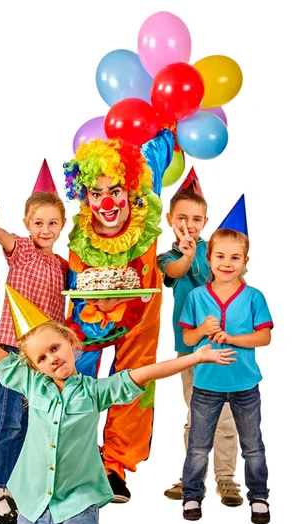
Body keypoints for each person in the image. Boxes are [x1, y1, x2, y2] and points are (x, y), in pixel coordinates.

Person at [0, 290, 236, 524]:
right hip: (34, 499)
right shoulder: (31, 384)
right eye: (42, 358)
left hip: (77, 499)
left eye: (55, 348)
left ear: (68, 341)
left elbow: (145, 372)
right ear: (34, 367)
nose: (53, 358)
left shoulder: (95, 390)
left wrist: (196, 357)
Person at [63, 129, 174, 501]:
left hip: (141, 318)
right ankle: (75, 460)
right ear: (85, 195)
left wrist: (167, 129)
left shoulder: (148, 206)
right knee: (75, 383)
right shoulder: (81, 231)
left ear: (129, 189)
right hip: (89, 320)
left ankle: (114, 467)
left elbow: (155, 156)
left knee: (134, 385)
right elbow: (78, 278)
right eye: (96, 193)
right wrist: (99, 304)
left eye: (115, 191)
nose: (107, 201)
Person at [0, 160, 68, 524]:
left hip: (44, 357)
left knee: (30, 422)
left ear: (62, 226)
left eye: (52, 223)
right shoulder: (20, 249)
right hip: (13, 349)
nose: (45, 229)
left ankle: (14, 485)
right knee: (8, 419)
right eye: (38, 222)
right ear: (27, 224)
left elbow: (61, 311)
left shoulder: (62, 265)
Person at [157, 169, 243, 507]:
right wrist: (187, 255)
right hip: (189, 350)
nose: (188, 224)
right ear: (169, 219)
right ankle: (193, 478)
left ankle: (227, 479)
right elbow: (175, 272)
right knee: (196, 415)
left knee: (224, 415)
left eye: (196, 219)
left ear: (205, 221)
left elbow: (228, 280)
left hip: (225, 349)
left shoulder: (217, 251)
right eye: (181, 218)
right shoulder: (167, 256)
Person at [179, 227, 273, 524]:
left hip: (244, 385)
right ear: (209, 259)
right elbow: (190, 340)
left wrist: (231, 338)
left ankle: (258, 496)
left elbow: (264, 337)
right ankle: (192, 495)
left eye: (235, 257)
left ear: (246, 261)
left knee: (253, 445)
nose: (227, 263)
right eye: (220, 256)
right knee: (197, 446)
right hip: (206, 384)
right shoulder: (196, 297)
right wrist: (203, 331)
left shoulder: (253, 297)